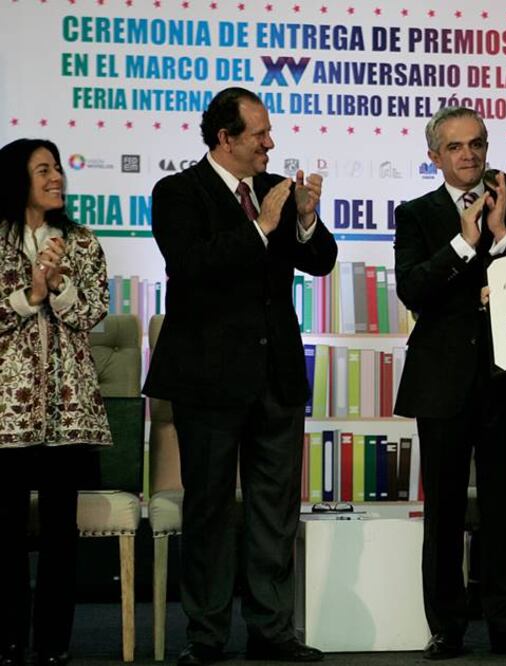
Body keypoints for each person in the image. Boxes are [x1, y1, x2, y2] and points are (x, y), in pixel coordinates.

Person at [142, 87, 337, 665]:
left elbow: (319, 260)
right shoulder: (178, 192)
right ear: (225, 138)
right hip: (208, 379)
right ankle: (206, 635)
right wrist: (262, 226)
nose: (270, 143)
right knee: (208, 508)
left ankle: (272, 629)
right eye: (259, 134)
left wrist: (303, 221)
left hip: (274, 375)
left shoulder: (274, 191)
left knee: (273, 510)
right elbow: (192, 265)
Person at [393, 106, 506, 660]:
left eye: (477, 143)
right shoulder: (414, 214)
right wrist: (463, 244)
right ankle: (447, 627)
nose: (470, 155)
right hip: (442, 382)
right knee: (446, 513)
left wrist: (501, 237)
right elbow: (413, 290)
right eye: (456, 147)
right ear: (435, 156)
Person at [0, 138, 111, 666]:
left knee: (61, 533)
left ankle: (52, 644)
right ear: (17, 178)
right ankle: (7, 638)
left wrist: (60, 285)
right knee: (5, 531)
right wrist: (30, 296)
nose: (55, 178)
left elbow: (91, 316)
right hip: (7, 414)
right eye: (42, 169)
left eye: (57, 169)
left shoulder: (83, 243)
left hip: (70, 412)